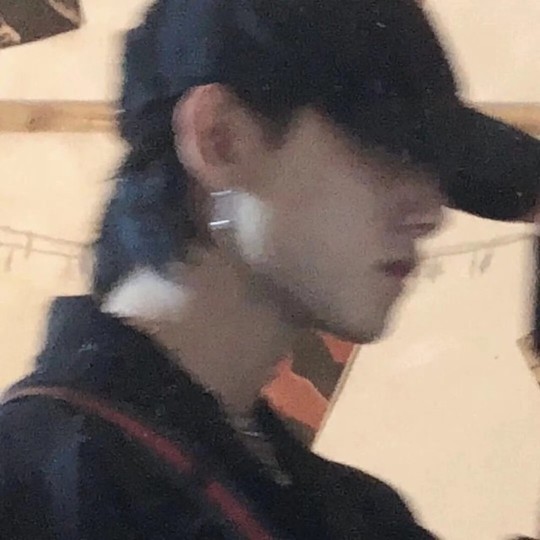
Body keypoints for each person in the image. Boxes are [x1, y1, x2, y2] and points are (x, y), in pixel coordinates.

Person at [2, 0, 540, 538]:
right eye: (386, 152)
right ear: (221, 140)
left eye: (438, 172)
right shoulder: (32, 493)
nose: (431, 214)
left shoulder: (361, 514)